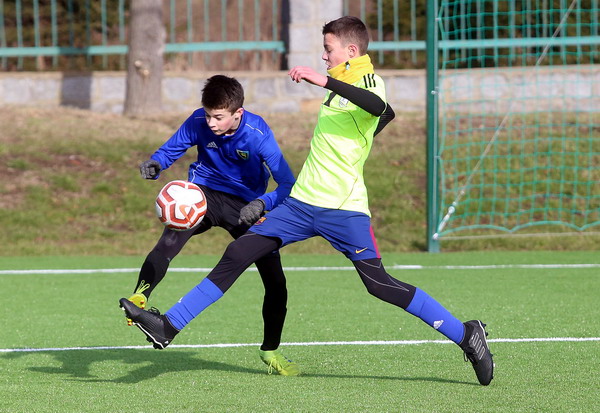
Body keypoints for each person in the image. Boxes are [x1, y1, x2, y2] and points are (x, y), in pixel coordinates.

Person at [121, 16, 494, 385]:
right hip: (301, 203)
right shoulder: (341, 86)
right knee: (237, 253)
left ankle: (466, 334)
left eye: (328, 49)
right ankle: (169, 325)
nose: (323, 56)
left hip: (342, 207)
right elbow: (385, 114)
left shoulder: (366, 80)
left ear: (351, 50)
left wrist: (325, 83)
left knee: (378, 285)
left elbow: (379, 107)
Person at [123, 74, 299, 376]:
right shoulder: (198, 121)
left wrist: (262, 203)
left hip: (246, 206)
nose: (211, 123)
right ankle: (141, 295)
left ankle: (270, 349)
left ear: (238, 113)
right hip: (203, 194)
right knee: (170, 240)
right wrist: (156, 163)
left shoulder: (258, 133)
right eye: (207, 115)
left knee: (275, 281)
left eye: (218, 117)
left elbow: (287, 184)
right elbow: (171, 149)